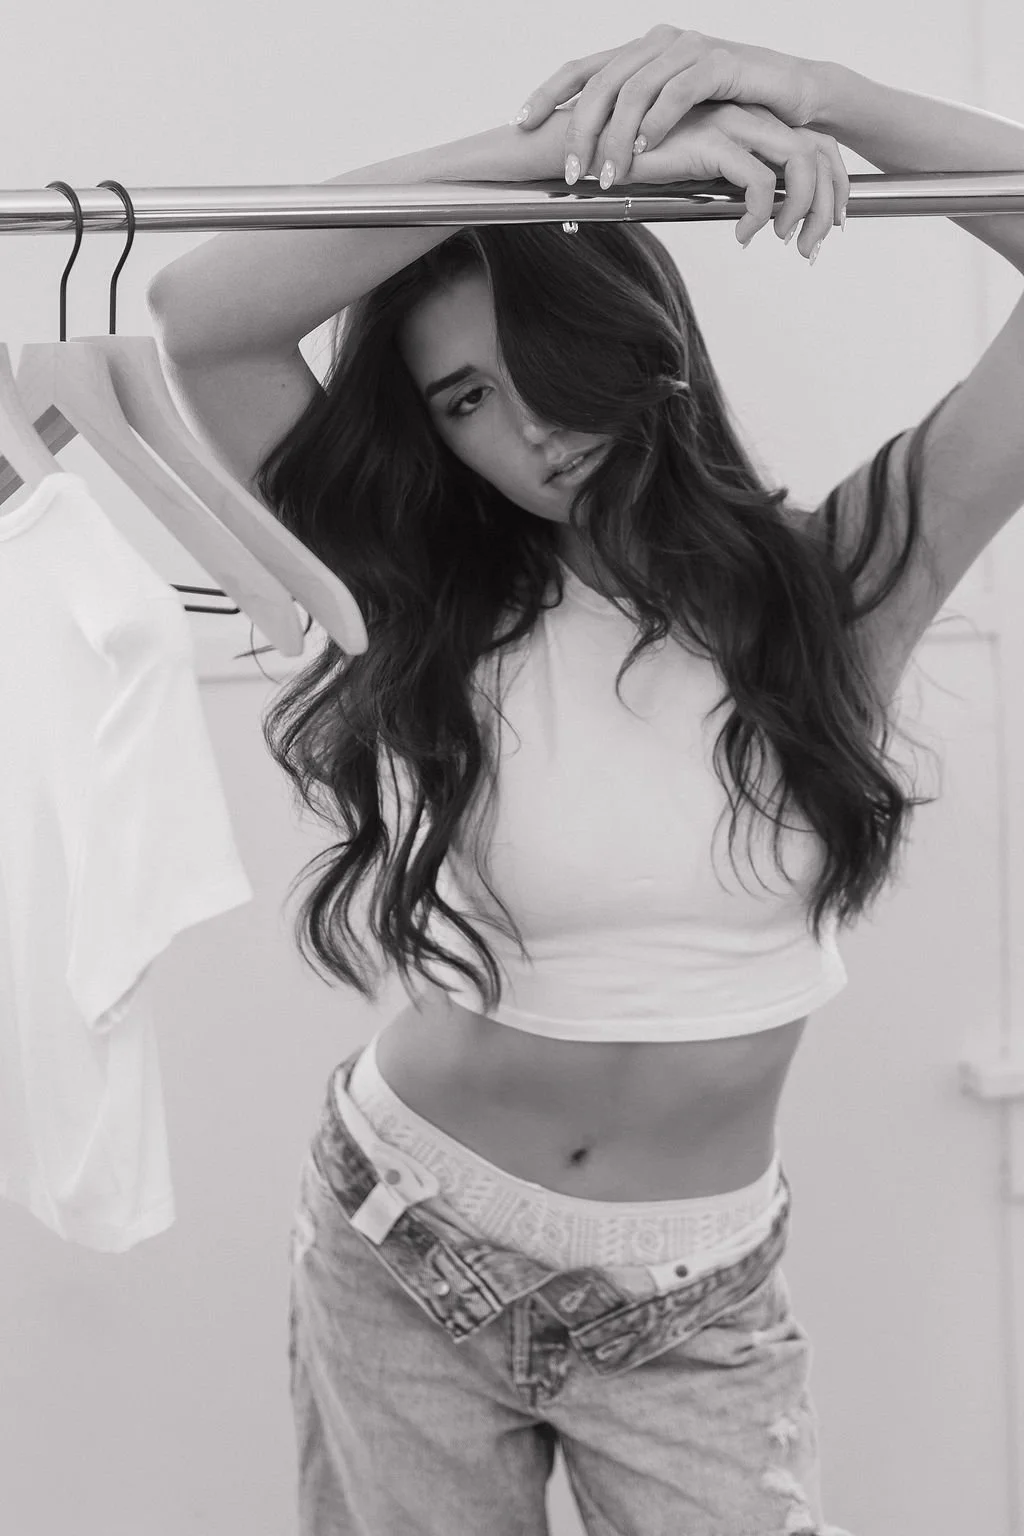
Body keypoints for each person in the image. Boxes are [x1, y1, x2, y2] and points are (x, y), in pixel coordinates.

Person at [146, 29, 1024, 1533]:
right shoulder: (428, 603)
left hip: (693, 1305)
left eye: (534, 370)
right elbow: (196, 318)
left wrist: (823, 100)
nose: (521, 427)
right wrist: (555, 158)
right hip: (404, 1244)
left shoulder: (841, 583)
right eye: (461, 401)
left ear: (635, 347)